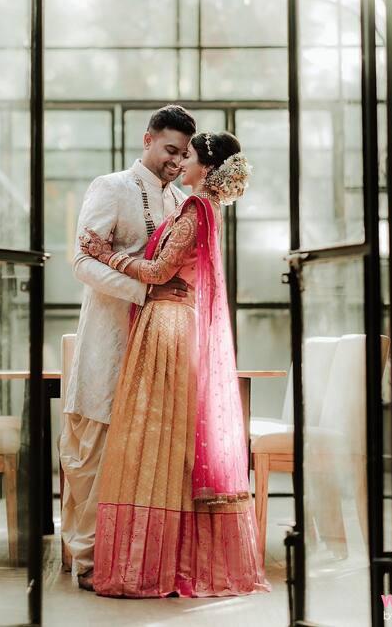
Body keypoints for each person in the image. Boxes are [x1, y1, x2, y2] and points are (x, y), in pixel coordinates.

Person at [80, 131, 268, 597]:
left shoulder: (192, 208)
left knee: (151, 443)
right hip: (172, 322)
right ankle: (166, 559)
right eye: (178, 153)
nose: (181, 161)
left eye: (189, 156)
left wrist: (106, 254)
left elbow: (160, 272)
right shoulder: (207, 210)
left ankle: (146, 566)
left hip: (165, 325)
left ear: (205, 167)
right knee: (167, 443)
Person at [61, 104, 197, 591]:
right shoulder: (112, 187)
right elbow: (80, 260)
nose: (175, 162)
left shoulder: (179, 199)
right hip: (111, 336)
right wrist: (144, 290)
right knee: (96, 447)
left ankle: (136, 558)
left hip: (159, 348)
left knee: (145, 451)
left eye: (182, 155)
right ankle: (89, 561)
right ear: (147, 139)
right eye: (169, 150)